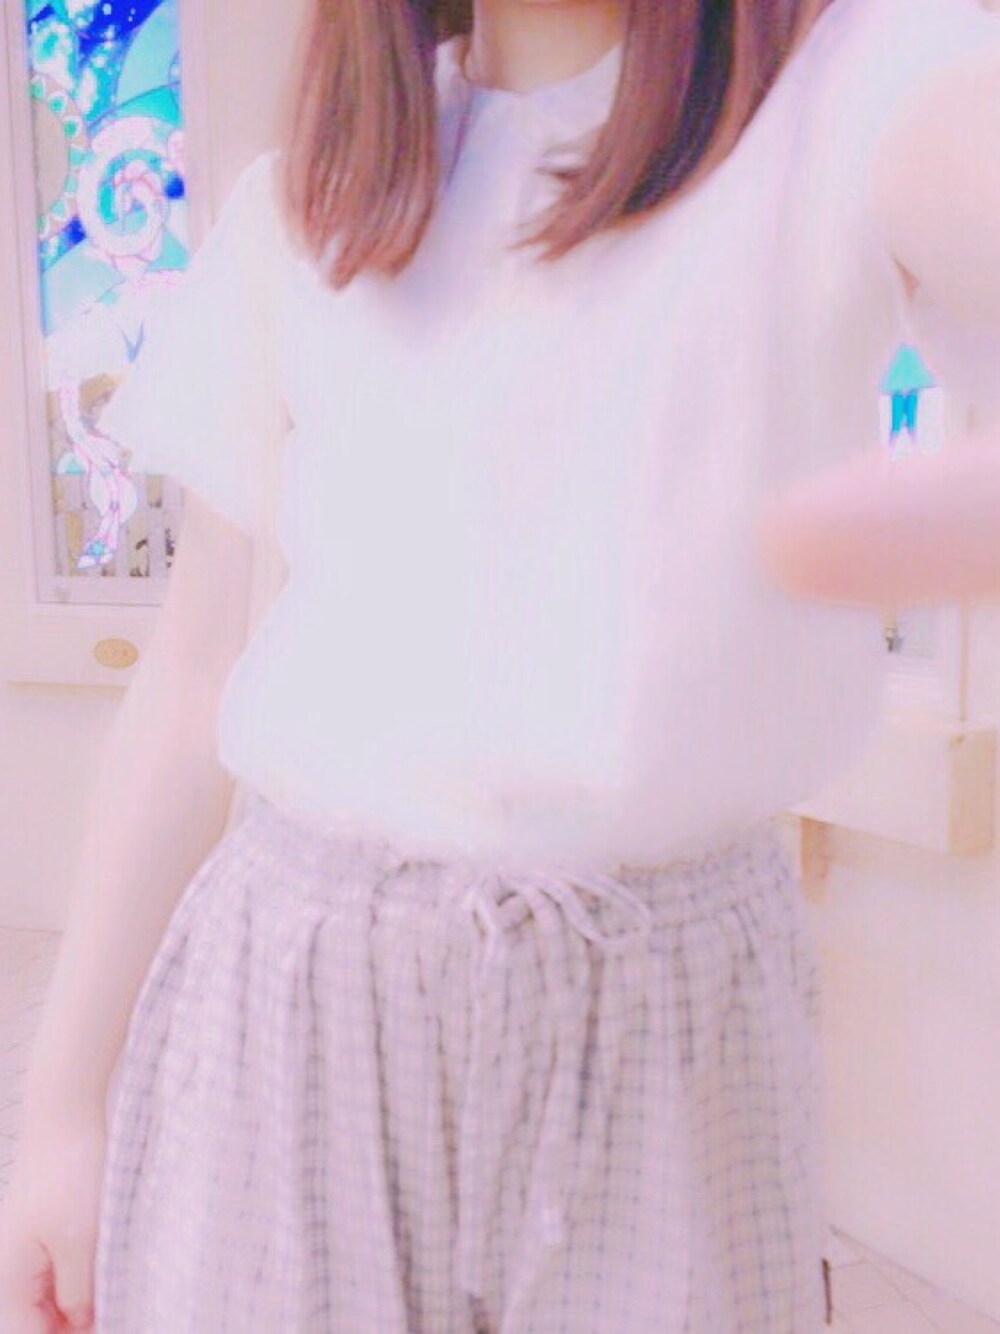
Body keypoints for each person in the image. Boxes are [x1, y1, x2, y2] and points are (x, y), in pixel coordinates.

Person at [1, 0, 999, 1329]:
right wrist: (63, 1108)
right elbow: (191, 682)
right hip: (297, 1000)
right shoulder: (315, 196)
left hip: (666, 1034)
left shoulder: (849, 87)